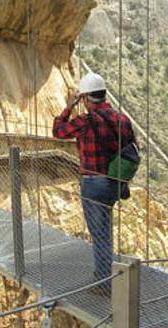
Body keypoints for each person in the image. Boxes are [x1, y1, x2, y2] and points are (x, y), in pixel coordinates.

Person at [52, 72, 136, 294]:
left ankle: (105, 284)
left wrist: (69, 107)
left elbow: (58, 131)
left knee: (99, 234)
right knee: (105, 231)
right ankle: (107, 275)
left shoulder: (84, 121)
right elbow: (131, 149)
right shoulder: (122, 120)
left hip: (93, 183)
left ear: (87, 99)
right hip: (115, 183)